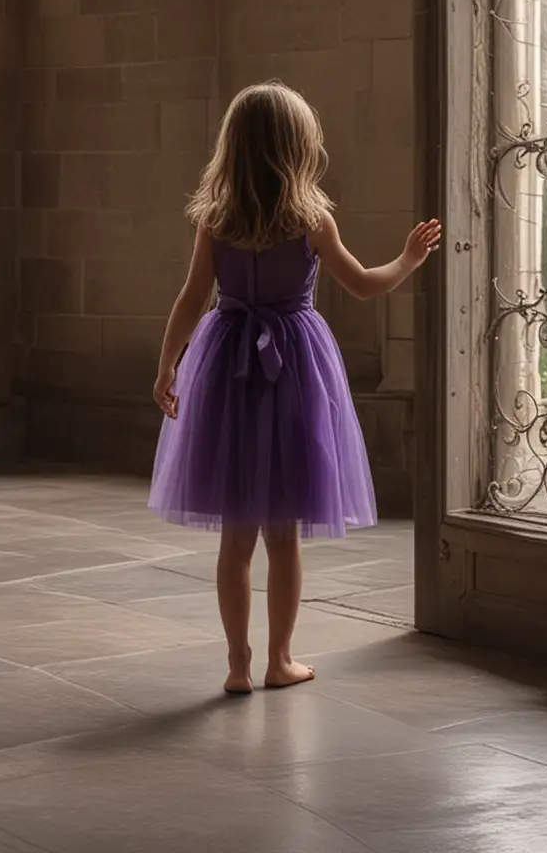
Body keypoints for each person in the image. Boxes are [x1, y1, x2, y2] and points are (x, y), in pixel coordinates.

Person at [148, 81, 441, 695]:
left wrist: (168, 364)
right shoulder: (311, 221)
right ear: (298, 147)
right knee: (283, 536)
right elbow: (363, 283)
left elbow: (191, 298)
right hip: (294, 371)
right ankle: (280, 659)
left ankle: (237, 666)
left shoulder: (214, 222)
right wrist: (409, 259)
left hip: (226, 364)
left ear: (234, 149)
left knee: (235, 536)